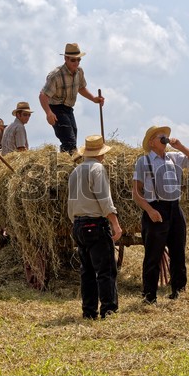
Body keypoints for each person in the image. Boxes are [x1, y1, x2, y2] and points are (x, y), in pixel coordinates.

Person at [132, 125, 189, 304]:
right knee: (153, 255)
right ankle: (149, 296)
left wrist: (181, 146)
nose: (165, 138)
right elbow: (136, 192)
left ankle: (179, 292)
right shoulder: (144, 161)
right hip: (156, 208)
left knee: (178, 252)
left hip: (174, 208)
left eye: (165, 136)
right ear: (152, 142)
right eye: (160, 136)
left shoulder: (175, 157)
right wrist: (149, 210)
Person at [68, 135, 122, 319]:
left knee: (87, 271)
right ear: (100, 154)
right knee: (106, 269)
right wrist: (115, 223)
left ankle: (89, 311)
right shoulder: (97, 169)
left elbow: (70, 204)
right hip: (95, 224)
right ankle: (109, 310)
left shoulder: (75, 171)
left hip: (78, 224)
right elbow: (105, 200)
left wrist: (76, 223)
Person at [39, 43, 105, 154]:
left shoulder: (79, 72)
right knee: (69, 141)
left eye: (79, 60)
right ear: (65, 59)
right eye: (73, 60)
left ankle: (67, 161)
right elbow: (43, 95)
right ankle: (66, 165)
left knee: (73, 135)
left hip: (69, 109)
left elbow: (81, 88)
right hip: (56, 108)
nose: (77, 63)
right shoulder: (56, 75)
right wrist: (49, 113)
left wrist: (94, 98)